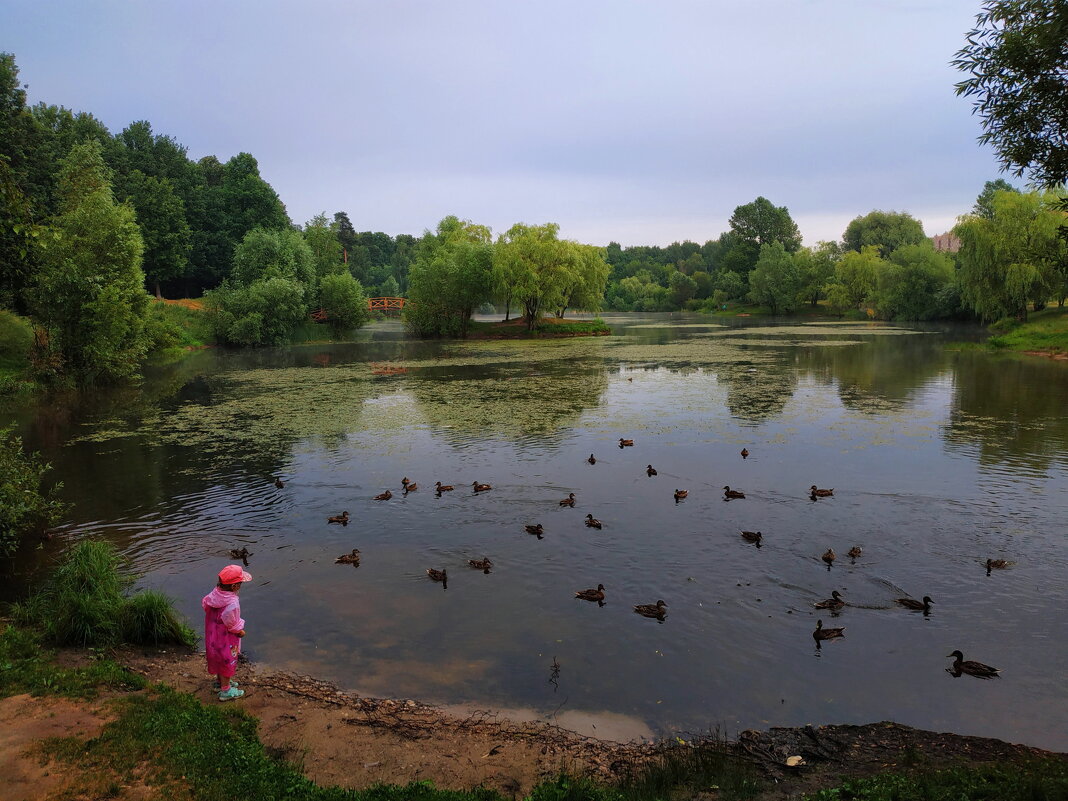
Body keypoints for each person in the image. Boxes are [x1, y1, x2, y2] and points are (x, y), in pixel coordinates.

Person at [202, 564, 251, 701]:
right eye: (240, 584)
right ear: (234, 586)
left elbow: (205, 604)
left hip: (213, 635)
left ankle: (220, 682)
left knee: (218, 657)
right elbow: (232, 624)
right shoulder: (232, 602)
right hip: (225, 638)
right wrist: (240, 631)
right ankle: (226, 690)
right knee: (227, 659)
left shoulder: (215, 593)